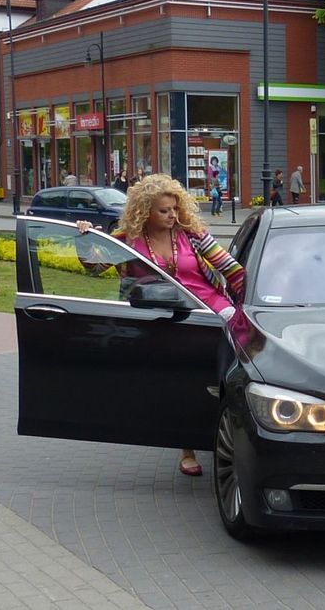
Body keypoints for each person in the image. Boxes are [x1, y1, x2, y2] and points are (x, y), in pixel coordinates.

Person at [75, 173, 245, 476]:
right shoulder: (128, 240)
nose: (172, 216)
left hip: (210, 313)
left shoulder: (193, 233)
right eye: (163, 210)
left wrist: (253, 301)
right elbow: (95, 266)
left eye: (175, 209)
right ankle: (187, 447)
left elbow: (230, 268)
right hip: (161, 321)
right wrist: (85, 237)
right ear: (145, 211)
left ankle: (229, 438)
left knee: (219, 380)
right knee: (179, 383)